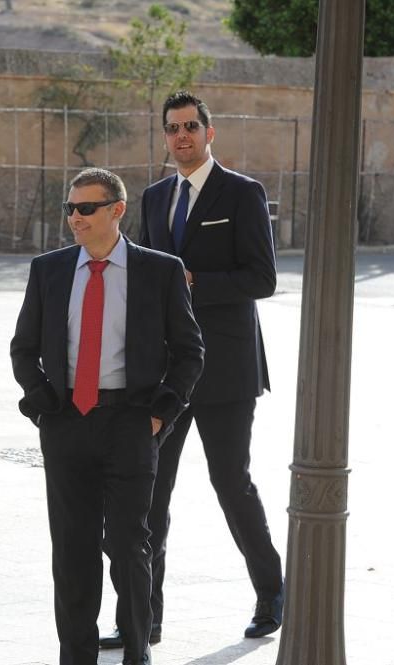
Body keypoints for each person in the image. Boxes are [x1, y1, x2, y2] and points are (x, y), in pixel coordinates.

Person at [101, 91, 283, 649]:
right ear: (164, 137)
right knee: (149, 495)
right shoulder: (154, 199)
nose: (181, 136)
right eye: (172, 128)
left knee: (232, 484)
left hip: (228, 370)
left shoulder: (243, 193)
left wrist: (196, 282)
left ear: (210, 133)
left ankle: (272, 593)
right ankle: (142, 620)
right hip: (167, 376)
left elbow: (262, 279)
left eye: (190, 127)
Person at [10, 168, 204, 665]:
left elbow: (189, 351)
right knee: (72, 555)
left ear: (116, 210)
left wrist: (161, 414)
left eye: (85, 208)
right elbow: (23, 348)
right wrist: (43, 407)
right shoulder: (49, 270)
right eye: (69, 209)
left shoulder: (159, 270)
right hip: (66, 422)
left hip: (131, 424)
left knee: (127, 546)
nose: (74, 217)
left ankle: (138, 653)